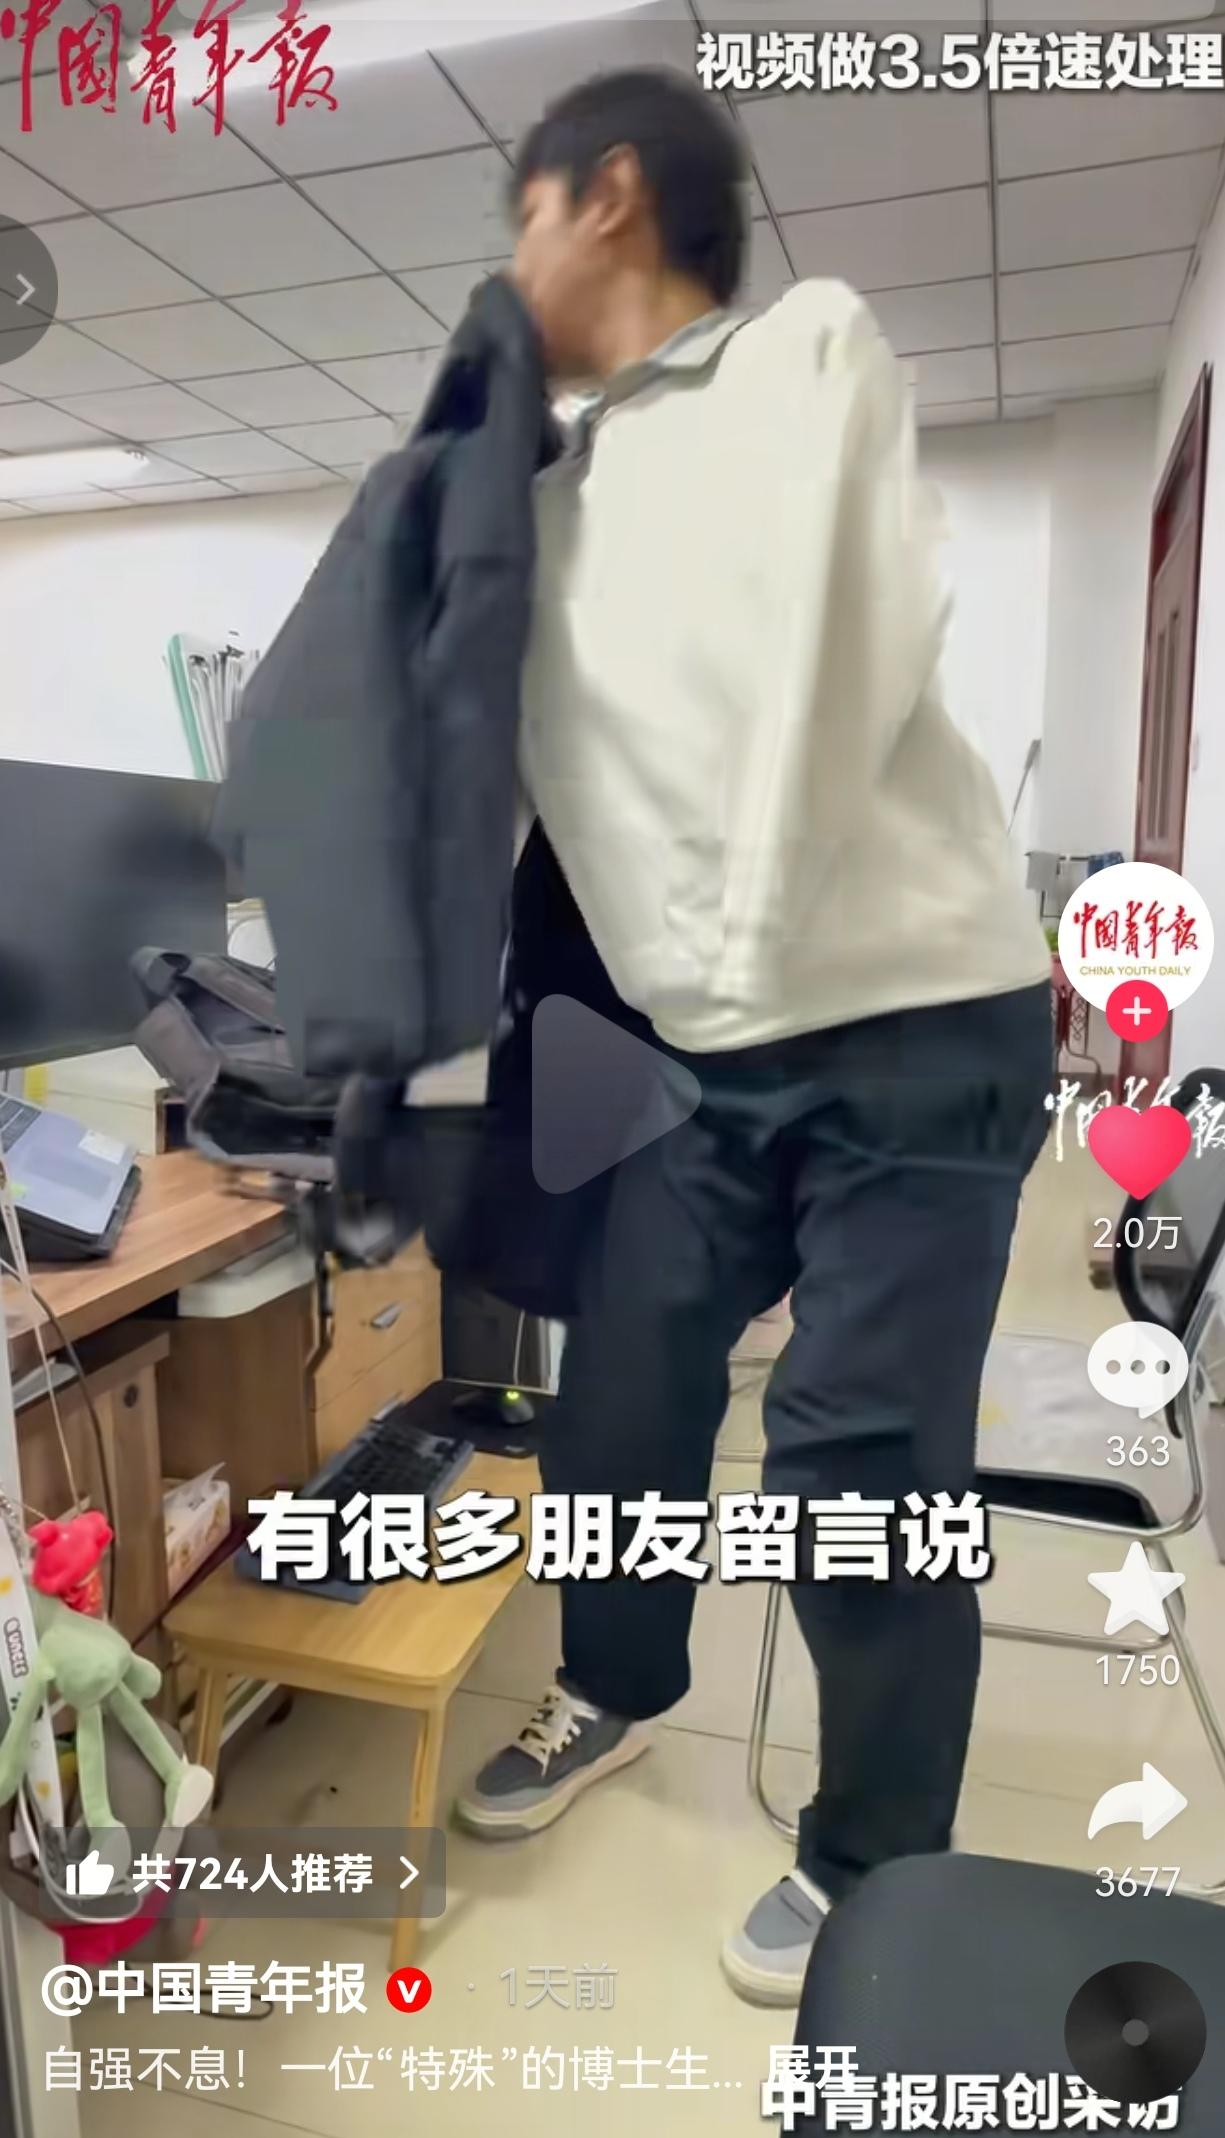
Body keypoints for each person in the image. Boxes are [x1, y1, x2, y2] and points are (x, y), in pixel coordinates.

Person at [454, 66, 1052, 2006]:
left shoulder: (807, 351)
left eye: (520, 219)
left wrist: (733, 938)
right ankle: (615, 1682)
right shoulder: (542, 504)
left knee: (853, 1460)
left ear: (608, 198)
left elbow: (842, 650)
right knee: (620, 1393)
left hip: (913, 1014)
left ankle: (876, 1859)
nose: (509, 265)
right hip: (710, 1044)